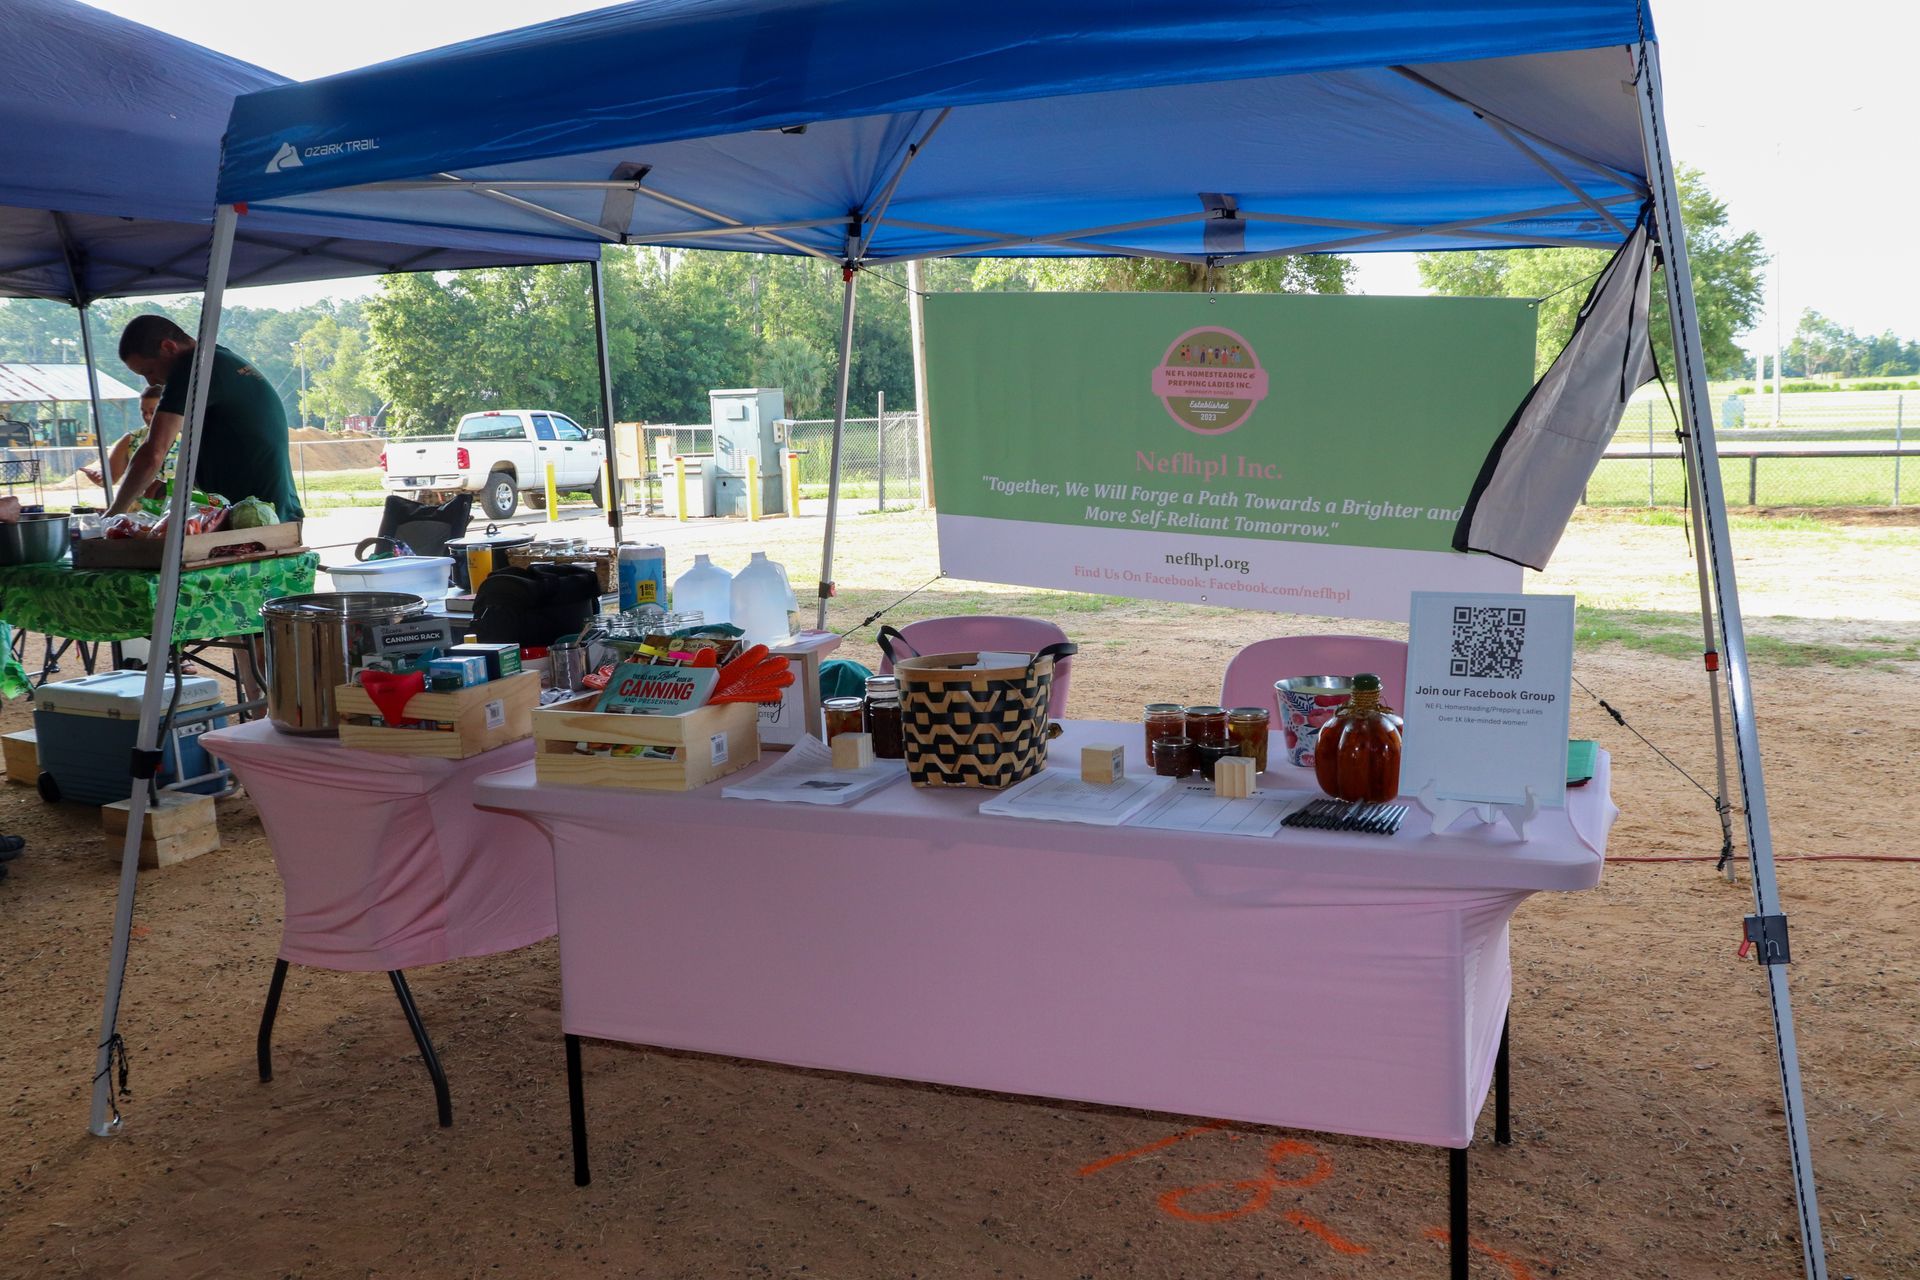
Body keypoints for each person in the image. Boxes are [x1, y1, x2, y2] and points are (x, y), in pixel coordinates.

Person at [109, 317, 303, 520]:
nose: (151, 381)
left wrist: (114, 513)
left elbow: (154, 452)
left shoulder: (192, 369)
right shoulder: (218, 359)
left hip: (254, 516)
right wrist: (176, 485)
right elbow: (229, 441)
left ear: (168, 347)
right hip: (272, 507)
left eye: (149, 371)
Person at [81, 383, 166, 495]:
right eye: (143, 411)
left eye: (153, 411)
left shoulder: (188, 438)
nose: (147, 417)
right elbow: (110, 478)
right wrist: (99, 478)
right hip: (139, 509)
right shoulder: (130, 439)